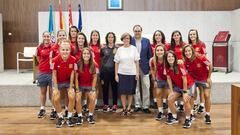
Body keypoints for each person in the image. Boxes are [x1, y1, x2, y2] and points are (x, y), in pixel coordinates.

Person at [164, 51, 195, 129]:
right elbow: (168, 79)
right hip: (178, 87)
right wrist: (171, 91)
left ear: (175, 57)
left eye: (172, 56)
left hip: (189, 85)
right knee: (170, 99)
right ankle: (174, 117)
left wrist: (185, 92)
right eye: (168, 57)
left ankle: (188, 119)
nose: (170, 58)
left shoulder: (180, 65)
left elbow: (184, 79)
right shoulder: (167, 67)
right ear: (166, 58)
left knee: (186, 100)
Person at [182, 44, 212, 124]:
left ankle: (207, 115)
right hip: (193, 80)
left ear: (192, 51)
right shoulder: (185, 60)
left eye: (189, 51)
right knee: (191, 95)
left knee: (207, 95)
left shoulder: (201, 57)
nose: (187, 53)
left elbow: (210, 65)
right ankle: (191, 113)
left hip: (204, 79)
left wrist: (209, 77)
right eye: (186, 51)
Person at [51, 40, 77, 128]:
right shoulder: (54, 60)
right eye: (63, 50)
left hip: (68, 82)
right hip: (58, 82)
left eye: (67, 50)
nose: (65, 51)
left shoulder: (73, 60)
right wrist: (56, 88)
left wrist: (70, 87)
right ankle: (60, 117)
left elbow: (72, 74)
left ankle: (69, 117)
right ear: (59, 50)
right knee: (55, 97)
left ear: (70, 50)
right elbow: (54, 74)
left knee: (72, 95)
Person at [114, 33, 140, 116]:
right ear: (122, 39)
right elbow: (116, 63)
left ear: (130, 39)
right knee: (123, 92)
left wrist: (137, 73)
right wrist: (116, 74)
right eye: (124, 38)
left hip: (132, 74)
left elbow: (137, 62)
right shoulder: (120, 49)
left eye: (128, 38)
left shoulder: (134, 49)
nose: (126, 40)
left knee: (130, 92)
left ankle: (129, 108)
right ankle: (124, 108)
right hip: (121, 73)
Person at [131, 25, 152, 113]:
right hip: (133, 67)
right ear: (133, 31)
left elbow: (150, 55)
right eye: (135, 31)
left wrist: (151, 68)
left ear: (141, 31)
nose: (137, 32)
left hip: (145, 67)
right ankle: (137, 105)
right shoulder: (130, 40)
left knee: (146, 86)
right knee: (136, 87)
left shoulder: (146, 41)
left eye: (138, 31)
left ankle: (146, 106)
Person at [36, 31, 56, 119]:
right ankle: (42, 109)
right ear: (43, 37)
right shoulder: (39, 47)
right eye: (45, 36)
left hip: (52, 73)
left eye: (48, 36)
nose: (47, 38)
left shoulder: (54, 47)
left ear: (50, 37)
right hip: (42, 72)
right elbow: (38, 58)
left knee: (52, 93)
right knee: (43, 92)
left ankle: (54, 109)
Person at [75, 47, 97, 124]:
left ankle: (90, 115)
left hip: (89, 85)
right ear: (82, 55)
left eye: (88, 54)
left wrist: (93, 88)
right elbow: (76, 78)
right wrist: (77, 88)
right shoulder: (78, 63)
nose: (86, 55)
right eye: (84, 53)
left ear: (90, 55)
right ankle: (80, 116)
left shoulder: (93, 64)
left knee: (93, 97)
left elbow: (94, 77)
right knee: (77, 98)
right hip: (80, 85)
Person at [188, 29, 207, 113]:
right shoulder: (189, 45)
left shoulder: (202, 44)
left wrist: (197, 55)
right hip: (192, 71)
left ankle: (202, 105)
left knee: (201, 89)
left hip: (201, 70)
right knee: (193, 89)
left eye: (193, 34)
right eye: (190, 34)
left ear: (196, 35)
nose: (192, 36)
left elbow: (205, 56)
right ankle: (195, 103)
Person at [151, 30, 170, 109]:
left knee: (166, 88)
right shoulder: (151, 45)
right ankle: (156, 102)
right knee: (155, 86)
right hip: (155, 66)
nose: (158, 36)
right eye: (156, 35)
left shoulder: (167, 45)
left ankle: (165, 102)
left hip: (165, 69)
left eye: (159, 35)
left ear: (162, 36)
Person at [149, 44, 169, 120]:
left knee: (169, 96)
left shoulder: (168, 58)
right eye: (157, 50)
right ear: (155, 51)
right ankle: (160, 112)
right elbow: (153, 70)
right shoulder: (152, 60)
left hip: (168, 79)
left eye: (161, 50)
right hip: (159, 79)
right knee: (158, 94)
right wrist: (154, 80)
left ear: (164, 51)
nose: (159, 52)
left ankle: (170, 112)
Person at [100, 32, 118, 112]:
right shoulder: (103, 48)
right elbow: (101, 59)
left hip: (114, 71)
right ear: (107, 38)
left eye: (112, 37)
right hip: (105, 72)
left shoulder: (117, 48)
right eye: (109, 37)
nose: (110, 38)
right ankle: (105, 104)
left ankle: (114, 104)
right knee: (105, 89)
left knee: (115, 89)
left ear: (114, 38)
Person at [169, 30, 186, 112]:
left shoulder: (184, 45)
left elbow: (187, 55)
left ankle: (182, 104)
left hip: (183, 67)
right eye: (174, 35)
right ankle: (176, 103)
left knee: (183, 84)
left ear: (180, 36)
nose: (176, 36)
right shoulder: (171, 46)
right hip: (174, 68)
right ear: (172, 37)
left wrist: (182, 61)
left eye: (177, 35)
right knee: (176, 84)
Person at [89, 30, 102, 110]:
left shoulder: (100, 47)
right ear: (91, 36)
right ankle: (88, 103)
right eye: (93, 35)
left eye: (96, 35)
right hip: (89, 69)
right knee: (87, 87)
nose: (95, 37)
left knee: (96, 87)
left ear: (98, 37)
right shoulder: (88, 46)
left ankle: (95, 103)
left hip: (98, 70)